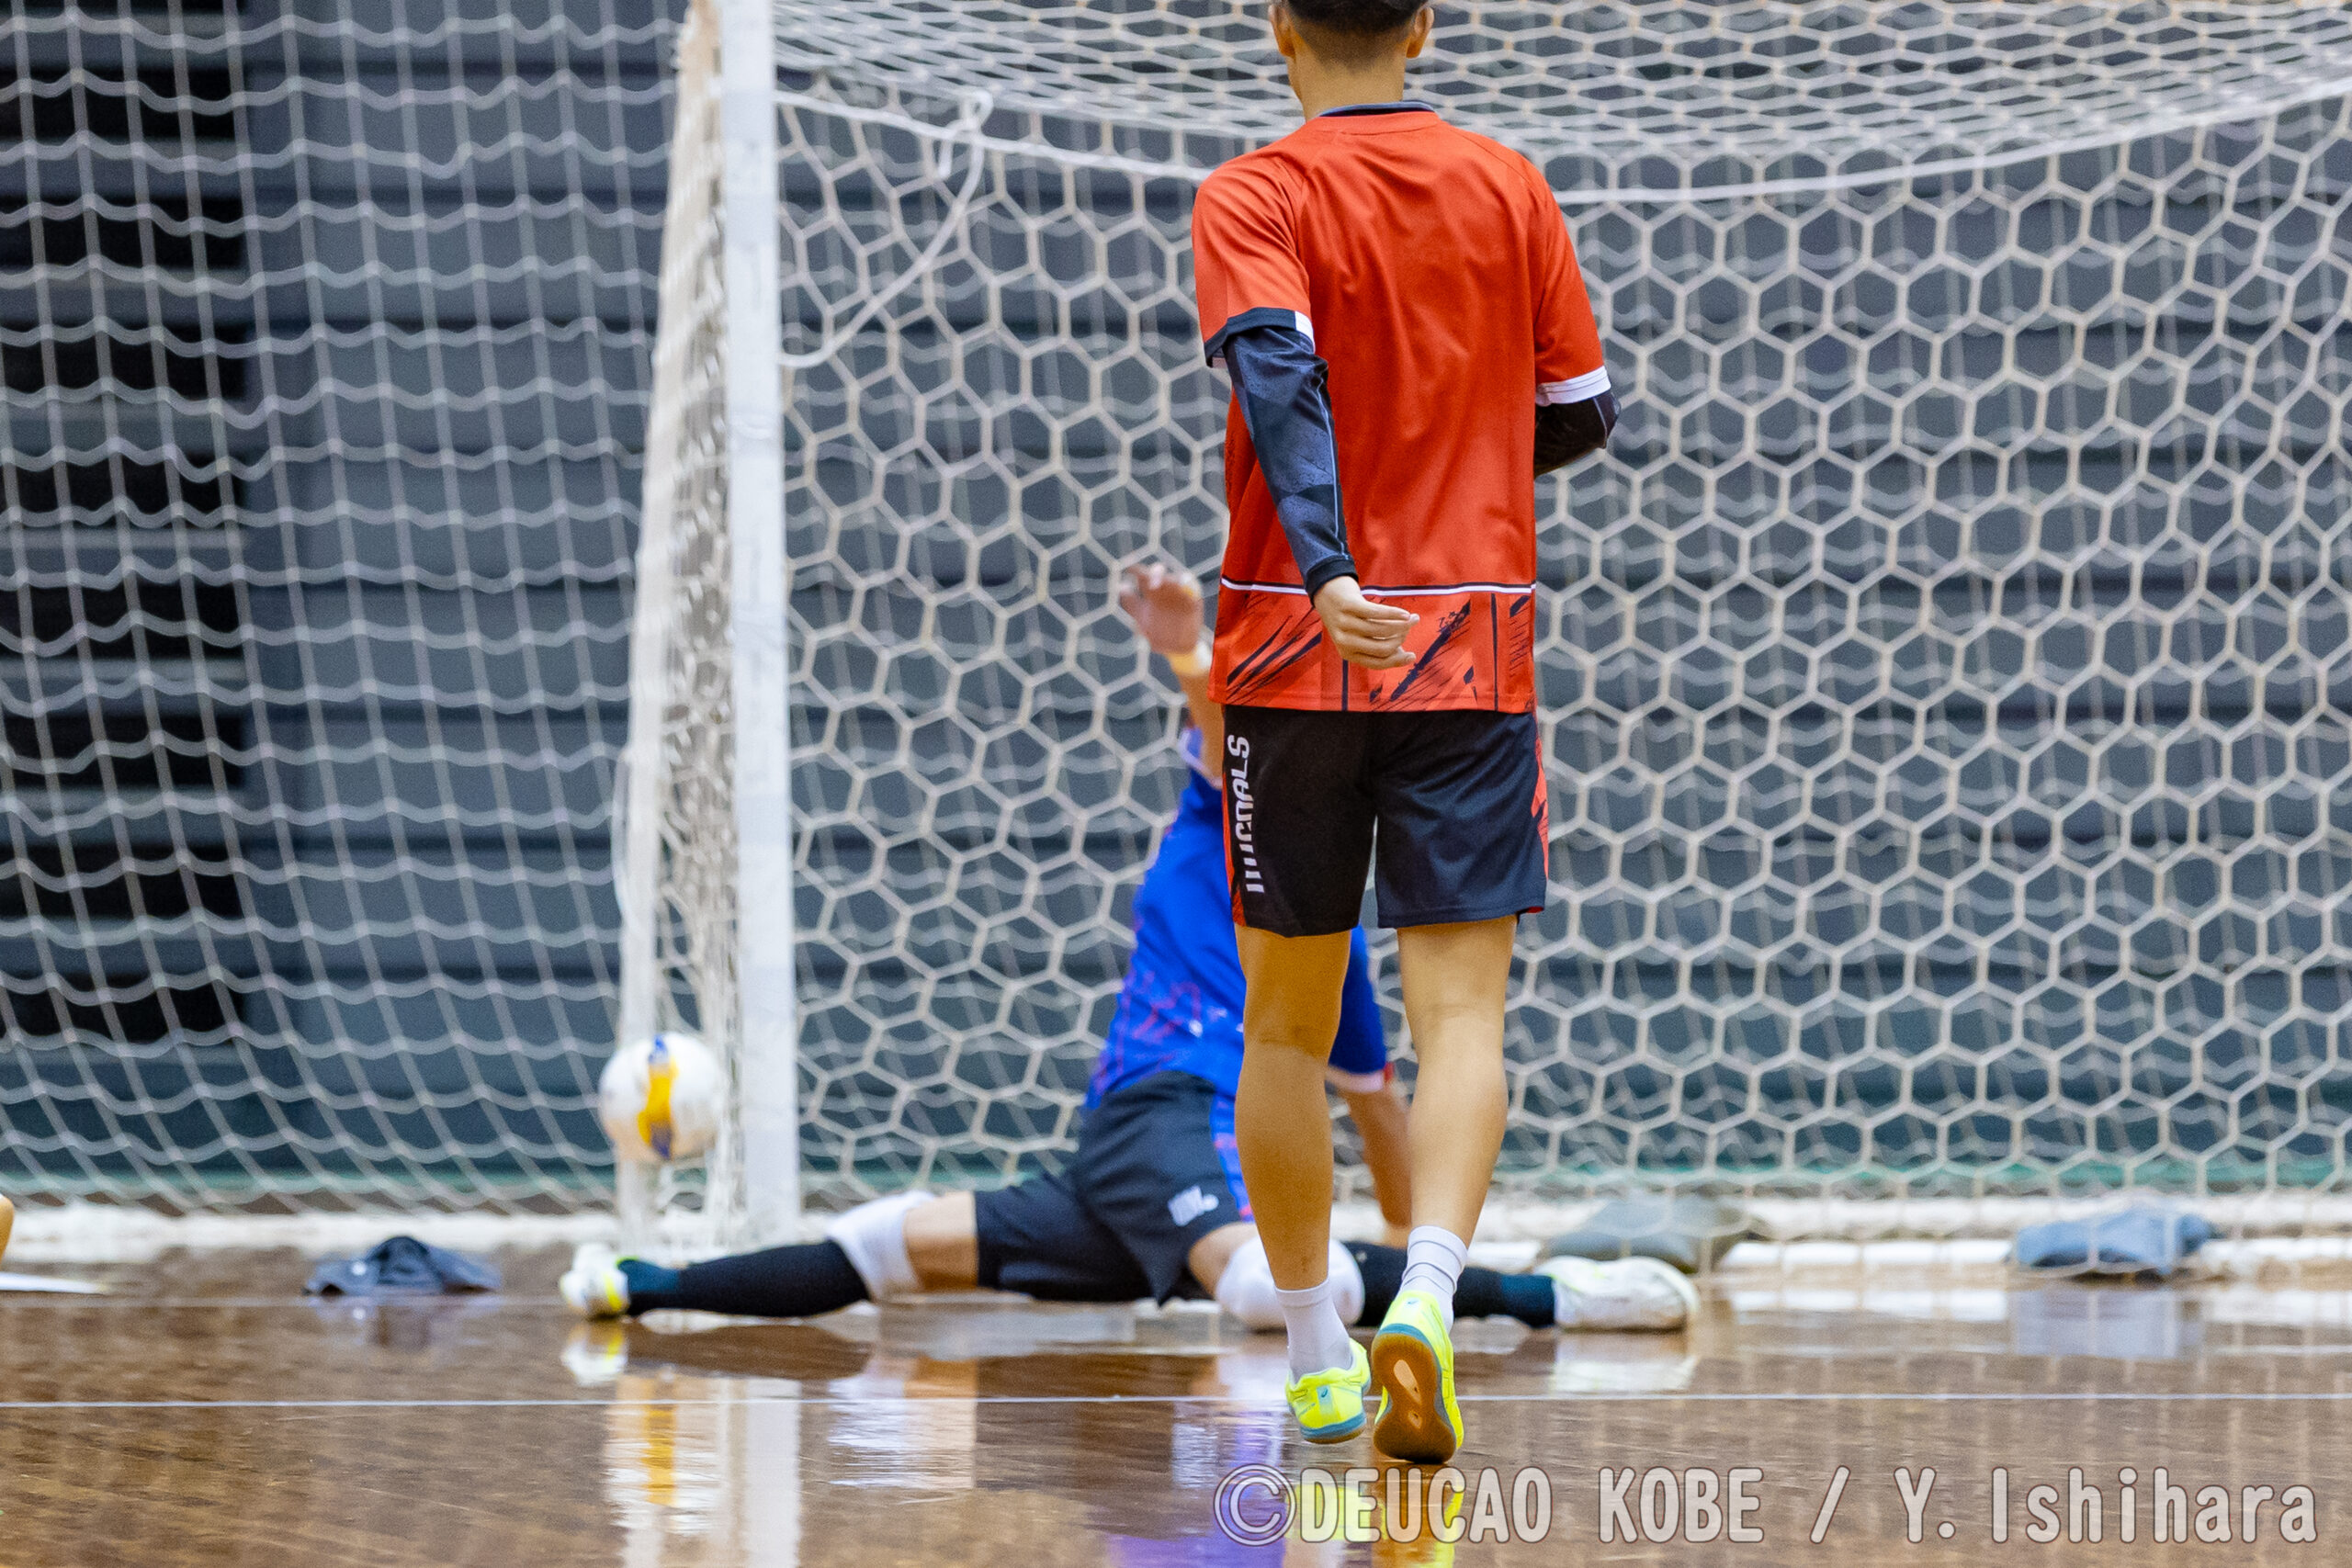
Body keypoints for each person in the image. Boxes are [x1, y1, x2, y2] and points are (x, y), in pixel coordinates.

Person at [562, 570, 1686, 1355]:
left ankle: (1549, 1299)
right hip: (1131, 1136)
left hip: (1185, 1134)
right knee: (884, 1245)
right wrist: (1189, 652)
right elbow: (1225, 731)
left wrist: (1416, 1257)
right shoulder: (1226, 819)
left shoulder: (1335, 946)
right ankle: (634, 1283)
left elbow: (1377, 1110)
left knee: (1264, 1290)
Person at [1193, 0, 1619, 1458]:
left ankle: (1319, 1351)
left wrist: (1329, 565)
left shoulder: (1252, 193)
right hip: (1469, 646)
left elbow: (1276, 372)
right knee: (1462, 1019)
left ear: (1278, 28)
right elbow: (1582, 410)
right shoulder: (1511, 185)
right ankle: (1426, 1298)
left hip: (1293, 645)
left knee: (1285, 1025)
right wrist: (1460, 461)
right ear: (1426, 26)